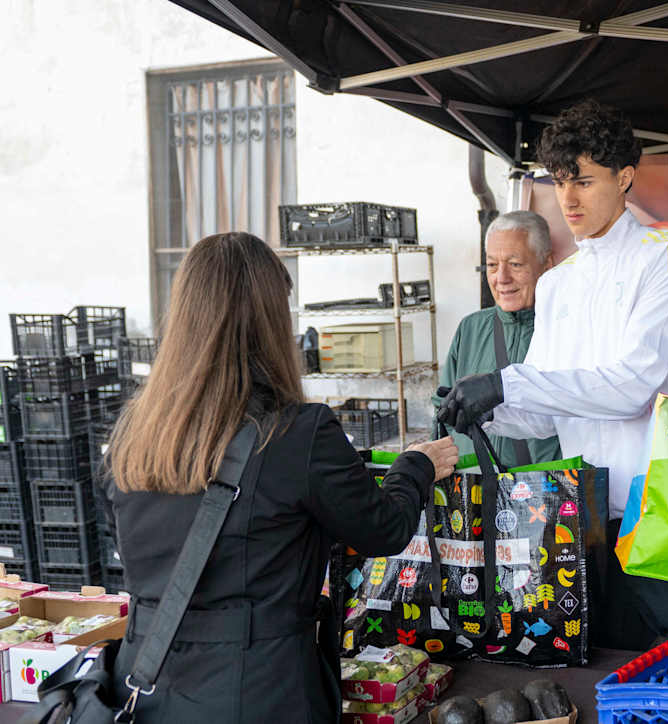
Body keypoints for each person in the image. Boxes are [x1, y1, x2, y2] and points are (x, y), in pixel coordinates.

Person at [102, 232, 458, 721]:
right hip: (258, 690)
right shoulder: (298, 434)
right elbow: (383, 528)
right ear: (270, 320)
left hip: (147, 682)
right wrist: (415, 466)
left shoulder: (136, 431)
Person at [438, 100, 668, 649]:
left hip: (664, 514)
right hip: (579, 521)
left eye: (584, 182)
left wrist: (505, 384)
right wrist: (484, 408)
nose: (567, 198)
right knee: (601, 672)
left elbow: (631, 388)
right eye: (560, 180)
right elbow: (544, 411)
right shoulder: (558, 283)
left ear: (625, 178)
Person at [433, 210, 561, 467]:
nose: (501, 278)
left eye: (515, 264)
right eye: (492, 265)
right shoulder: (470, 328)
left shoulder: (567, 327)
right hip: (477, 490)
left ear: (546, 265)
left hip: (547, 492)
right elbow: (442, 408)